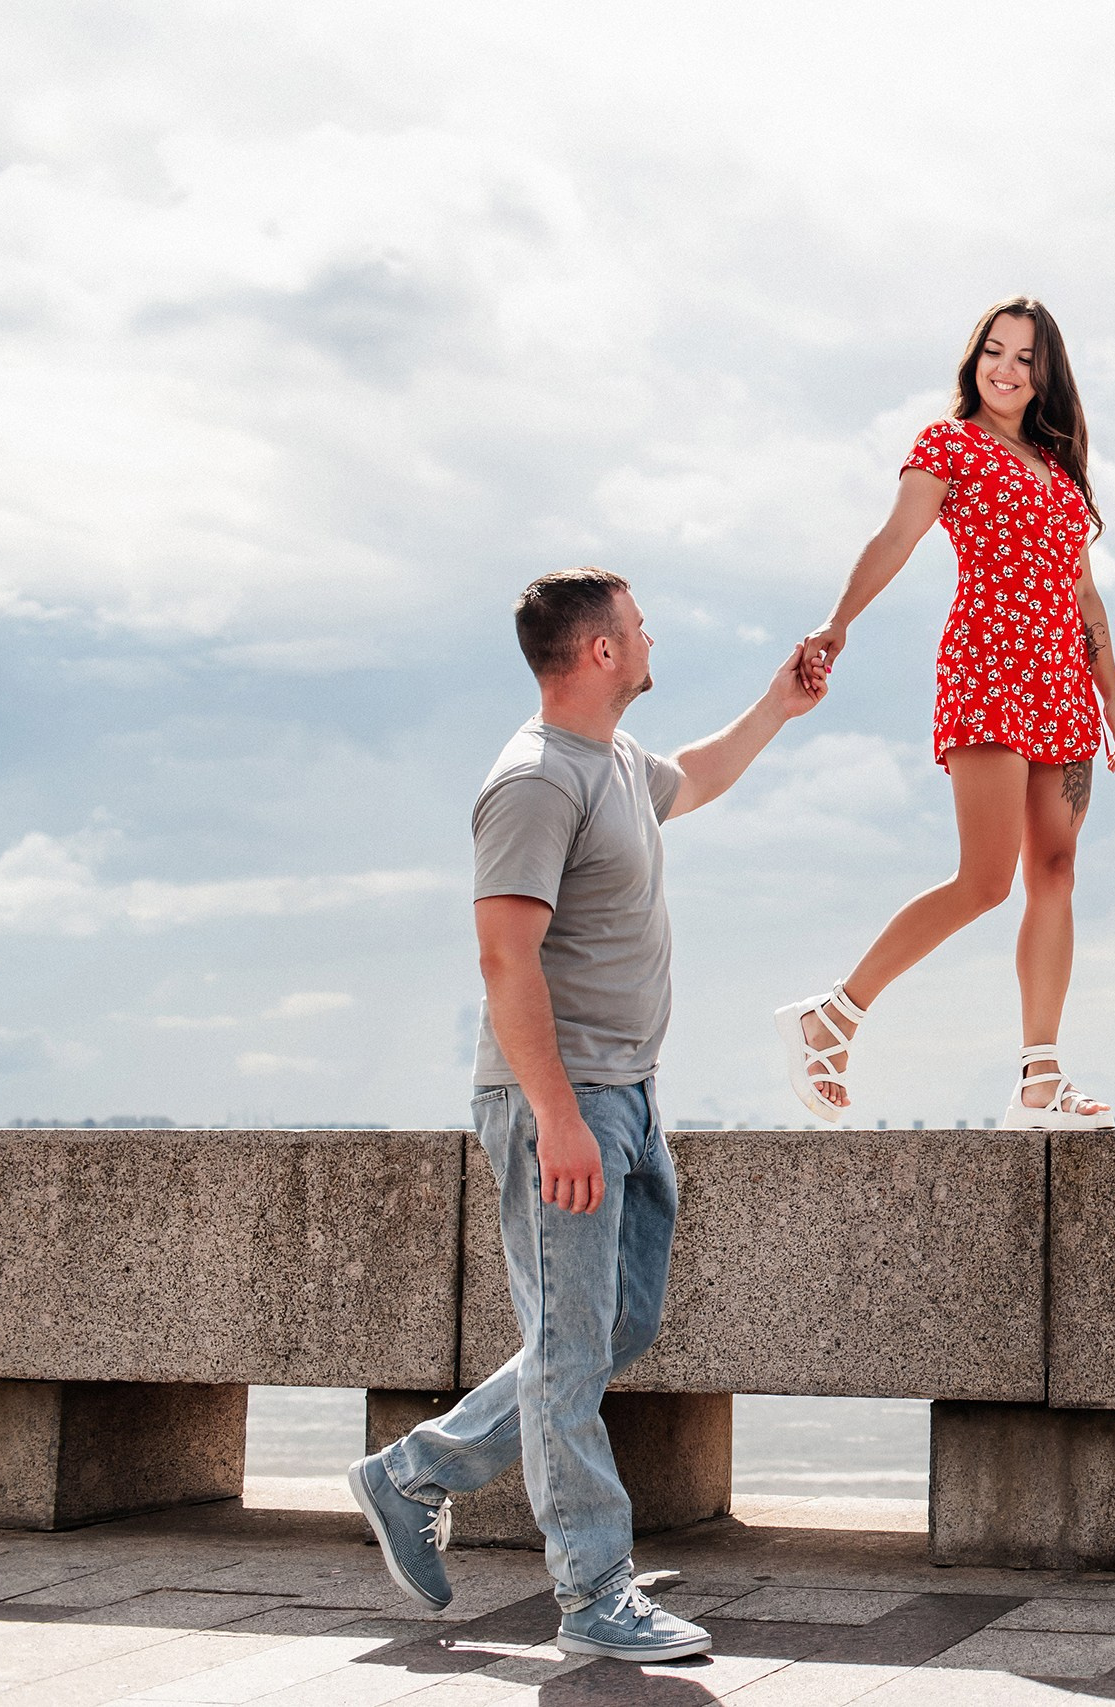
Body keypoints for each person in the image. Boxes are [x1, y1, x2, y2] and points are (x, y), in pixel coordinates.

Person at [347, 567, 823, 1663]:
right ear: (601, 651)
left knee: (612, 1330)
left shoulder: (611, 762)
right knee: (569, 1348)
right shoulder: (531, 780)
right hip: (563, 1103)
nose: (652, 634)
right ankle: (594, 1595)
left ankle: (412, 1472)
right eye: (639, 624)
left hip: (629, 1094)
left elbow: (695, 778)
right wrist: (557, 1118)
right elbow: (503, 955)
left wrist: (777, 707)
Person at [775, 297, 1115, 1128]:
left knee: (1056, 873)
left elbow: (1083, 591)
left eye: (1023, 358)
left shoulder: (1058, 465)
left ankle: (1040, 1082)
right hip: (988, 669)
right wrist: (838, 623)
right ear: (974, 360)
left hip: (1061, 687)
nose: (1005, 370)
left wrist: (1113, 692)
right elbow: (895, 537)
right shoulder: (950, 443)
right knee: (985, 878)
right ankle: (830, 1017)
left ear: (1046, 375)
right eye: (993, 353)